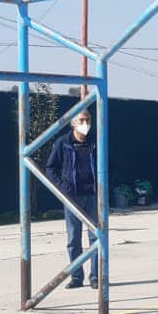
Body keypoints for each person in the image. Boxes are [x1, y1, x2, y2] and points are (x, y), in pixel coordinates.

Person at [45, 111, 99, 290]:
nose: (85, 123)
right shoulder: (64, 143)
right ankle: (76, 276)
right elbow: (51, 167)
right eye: (81, 120)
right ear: (73, 123)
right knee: (73, 238)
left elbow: (108, 164)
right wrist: (63, 187)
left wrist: (101, 185)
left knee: (95, 237)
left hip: (92, 196)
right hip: (72, 198)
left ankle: (95, 276)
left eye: (88, 120)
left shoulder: (95, 142)